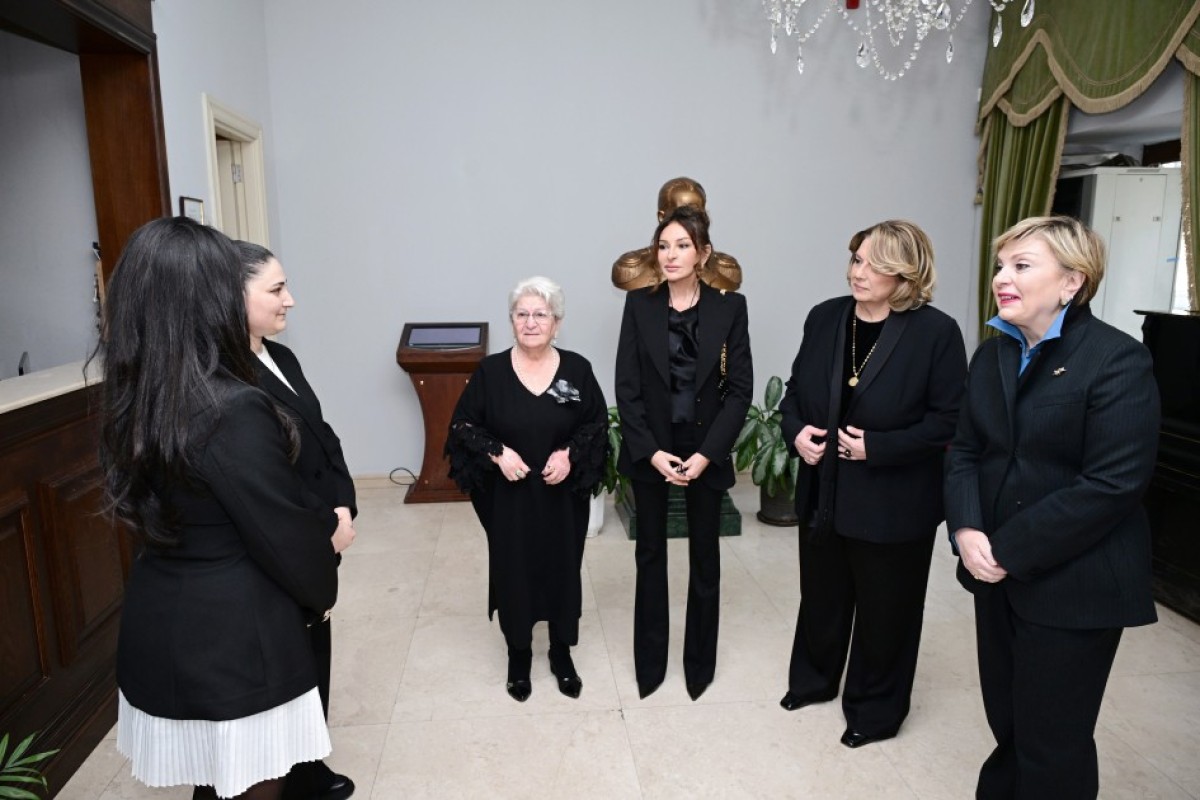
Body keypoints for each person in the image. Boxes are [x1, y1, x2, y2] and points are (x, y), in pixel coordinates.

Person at [97, 217, 356, 800]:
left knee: (216, 783)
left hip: (166, 619)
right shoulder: (231, 407)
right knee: (248, 783)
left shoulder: (138, 392)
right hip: (237, 640)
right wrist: (326, 564)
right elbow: (283, 537)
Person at [945, 216, 1160, 798]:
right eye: (1000, 266)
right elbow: (965, 451)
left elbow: (1112, 484)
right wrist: (966, 528)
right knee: (1009, 723)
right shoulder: (991, 356)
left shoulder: (1117, 359)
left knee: (1053, 742)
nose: (1001, 278)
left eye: (1021, 265)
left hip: (1076, 584)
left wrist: (1006, 550)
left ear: (1072, 281)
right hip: (993, 573)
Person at [777, 220, 966, 748]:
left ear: (906, 273)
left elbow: (949, 421)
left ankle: (875, 711)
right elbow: (794, 392)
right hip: (825, 489)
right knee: (822, 596)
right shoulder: (825, 316)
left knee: (888, 611)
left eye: (874, 264)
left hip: (893, 501)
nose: (857, 272)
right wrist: (796, 433)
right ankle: (813, 681)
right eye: (856, 259)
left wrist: (876, 447)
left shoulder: (936, 332)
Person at [445, 276, 608, 702]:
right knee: (513, 570)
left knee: (562, 569)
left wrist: (569, 454)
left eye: (540, 314)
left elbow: (596, 424)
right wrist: (498, 453)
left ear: (557, 323)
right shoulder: (491, 372)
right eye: (522, 314)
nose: (531, 322)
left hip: (561, 497)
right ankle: (518, 654)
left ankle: (560, 652)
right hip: (510, 499)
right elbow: (462, 425)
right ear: (512, 321)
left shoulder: (578, 369)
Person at [615, 205, 752, 701]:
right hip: (652, 450)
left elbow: (739, 391)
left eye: (682, 246)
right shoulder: (639, 305)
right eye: (663, 245)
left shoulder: (729, 308)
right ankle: (650, 666)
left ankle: (699, 667)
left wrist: (708, 455)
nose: (670, 255)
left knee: (705, 559)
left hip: (704, 450)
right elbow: (627, 388)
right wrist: (650, 452)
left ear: (703, 253)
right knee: (650, 555)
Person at [235, 241, 357, 800]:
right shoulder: (228, 378)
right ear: (234, 296)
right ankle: (286, 772)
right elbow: (270, 476)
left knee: (315, 644)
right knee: (287, 658)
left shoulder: (281, 357)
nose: (290, 300)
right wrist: (325, 523)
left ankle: (308, 762)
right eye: (277, 289)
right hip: (292, 532)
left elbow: (321, 435)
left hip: (321, 527)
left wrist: (345, 503)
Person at [611, 177, 743, 291]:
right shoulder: (631, 269)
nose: (692, 223)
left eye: (698, 215)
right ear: (662, 217)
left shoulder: (727, 270)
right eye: (682, 215)